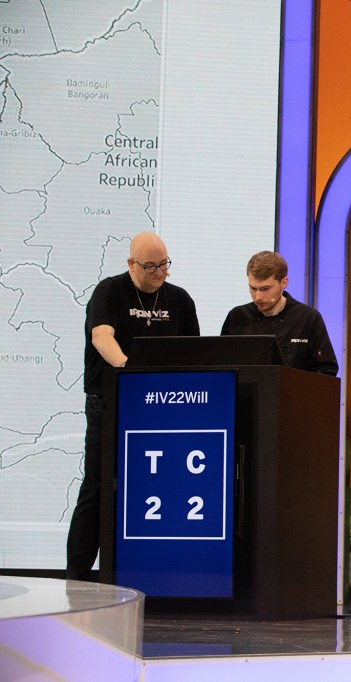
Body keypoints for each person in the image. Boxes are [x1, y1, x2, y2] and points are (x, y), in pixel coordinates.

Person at [67, 231, 200, 580]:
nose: (160, 273)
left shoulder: (180, 300)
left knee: (158, 489)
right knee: (96, 489)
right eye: (151, 266)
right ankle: (77, 577)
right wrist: (128, 371)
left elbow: (195, 354)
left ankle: (157, 572)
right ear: (131, 264)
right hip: (110, 405)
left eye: (164, 264)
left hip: (162, 410)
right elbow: (101, 337)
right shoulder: (110, 291)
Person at [220, 251, 338, 376]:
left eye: (265, 289)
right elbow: (221, 366)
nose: (258, 297)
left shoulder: (308, 318)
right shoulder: (236, 317)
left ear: (284, 283)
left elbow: (326, 370)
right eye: (253, 288)